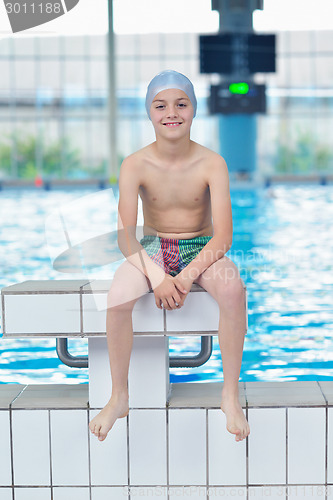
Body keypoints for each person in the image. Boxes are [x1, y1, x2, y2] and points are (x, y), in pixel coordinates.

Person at [89, 70, 250, 442]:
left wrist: (188, 274)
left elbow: (224, 236)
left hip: (200, 245)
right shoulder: (135, 164)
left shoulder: (213, 163)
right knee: (116, 297)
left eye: (181, 104)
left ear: (193, 110)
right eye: (161, 105)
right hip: (153, 248)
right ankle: (118, 396)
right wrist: (158, 276)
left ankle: (229, 394)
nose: (171, 113)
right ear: (150, 113)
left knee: (233, 292)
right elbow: (124, 237)